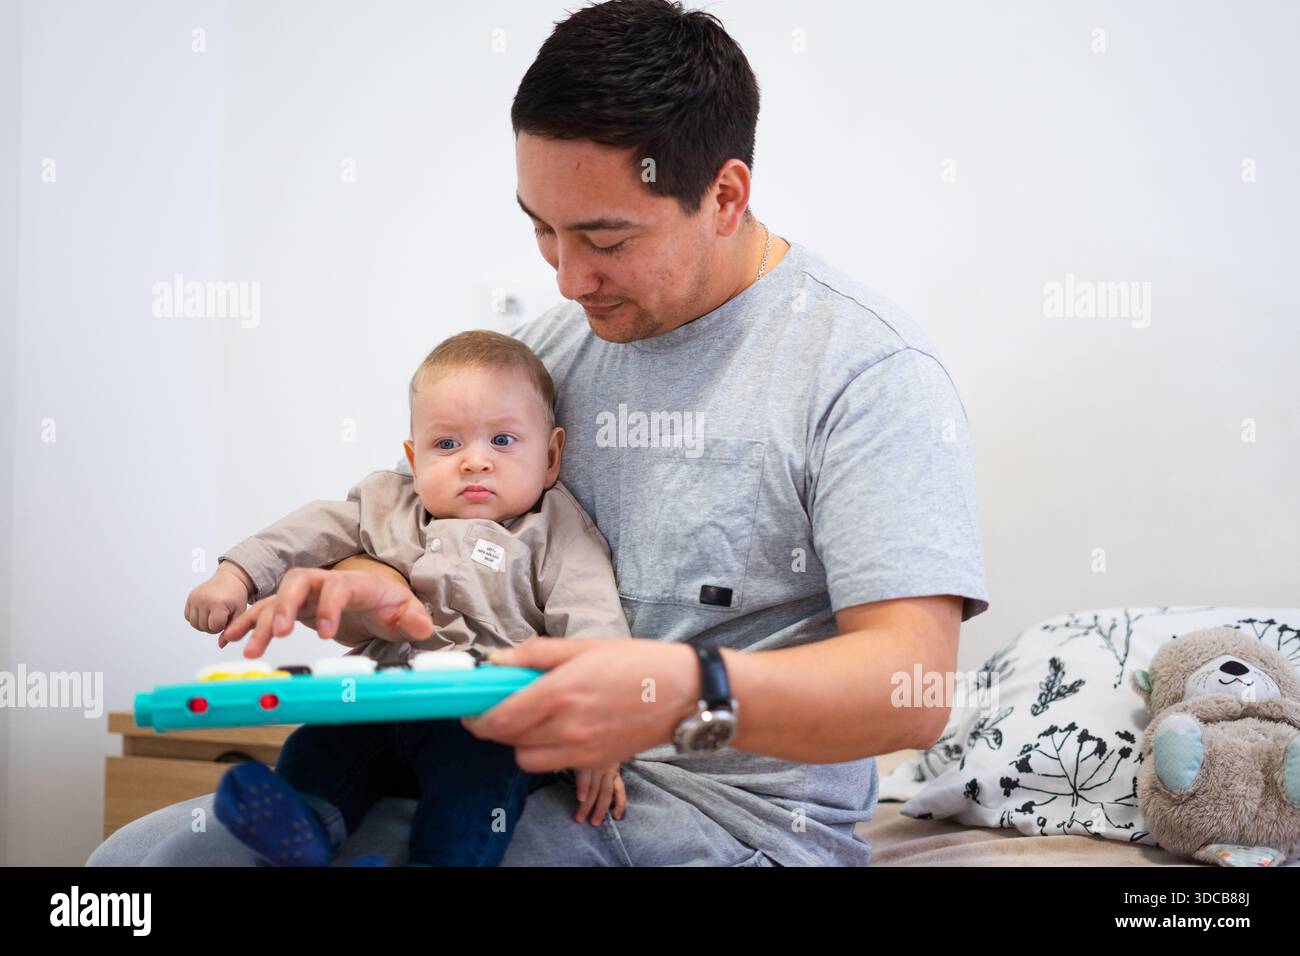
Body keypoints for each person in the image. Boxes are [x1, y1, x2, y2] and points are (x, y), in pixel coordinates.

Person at [88, 0, 989, 867]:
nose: (567, 278)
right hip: (511, 764)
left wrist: (663, 694)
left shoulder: (866, 373)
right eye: (543, 231)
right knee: (136, 856)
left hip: (733, 820)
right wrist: (371, 578)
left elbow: (908, 688)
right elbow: (447, 534)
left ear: (725, 194)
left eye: (604, 238)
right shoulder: (553, 357)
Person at [180, 331, 631, 865]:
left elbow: (595, 628)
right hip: (382, 698)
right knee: (319, 743)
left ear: (551, 455)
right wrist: (235, 577)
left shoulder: (555, 531)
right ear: (413, 459)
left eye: (503, 441)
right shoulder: (389, 503)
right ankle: (303, 830)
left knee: (479, 779)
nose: (474, 462)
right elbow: (307, 530)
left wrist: (602, 735)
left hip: (488, 716)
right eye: (447, 445)